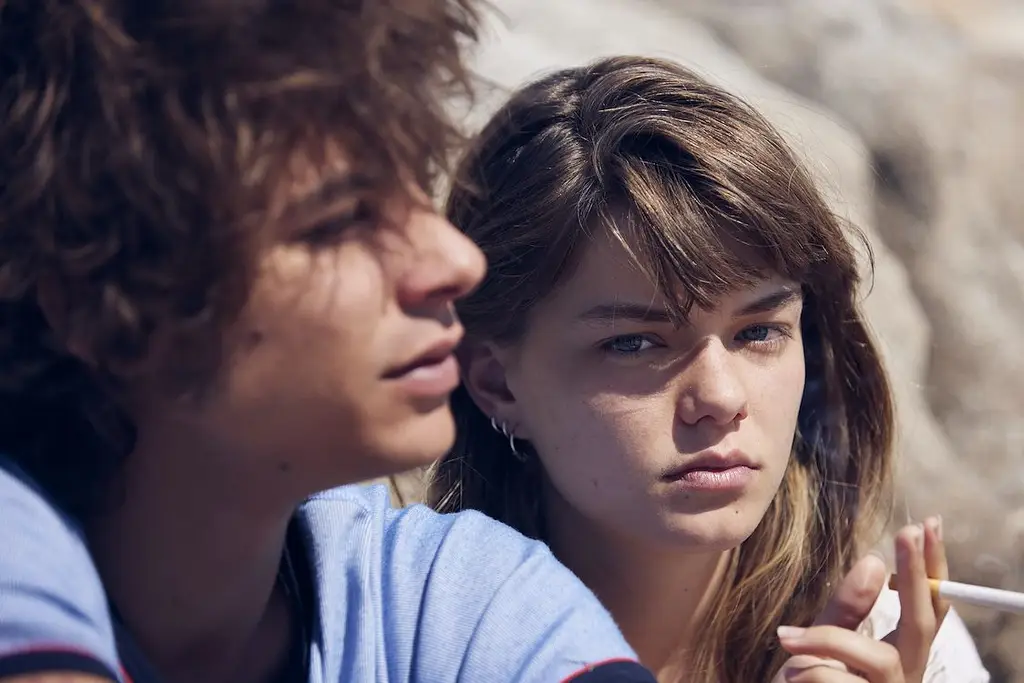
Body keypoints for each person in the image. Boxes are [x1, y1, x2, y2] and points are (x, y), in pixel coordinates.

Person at [0, 3, 664, 682]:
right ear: (92, 298)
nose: (458, 261)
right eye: (343, 219)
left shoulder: (456, 597)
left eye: (418, 190)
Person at [428, 56, 990, 683]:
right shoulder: (408, 647)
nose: (721, 398)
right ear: (496, 384)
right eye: (633, 343)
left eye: (759, 332)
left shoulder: (895, 648)